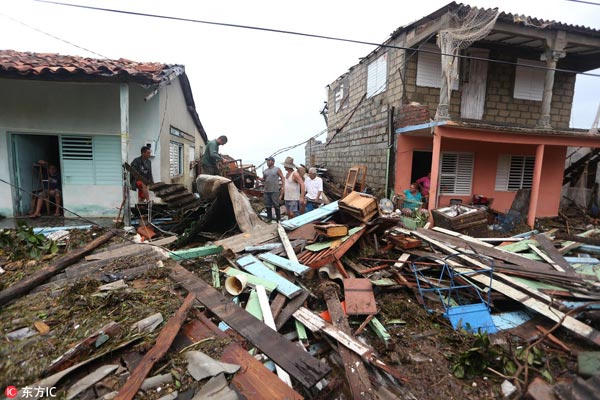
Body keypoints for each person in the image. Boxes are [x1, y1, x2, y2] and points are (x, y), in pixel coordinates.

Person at [260, 156, 285, 222]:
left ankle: (278, 219)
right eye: (267, 161)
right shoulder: (265, 171)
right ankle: (269, 218)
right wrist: (257, 178)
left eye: (269, 160)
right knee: (267, 205)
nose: (267, 162)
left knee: (276, 205)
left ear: (273, 162)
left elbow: (282, 177)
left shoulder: (277, 169)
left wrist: (283, 186)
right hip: (266, 190)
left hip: (274, 190)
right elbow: (263, 179)